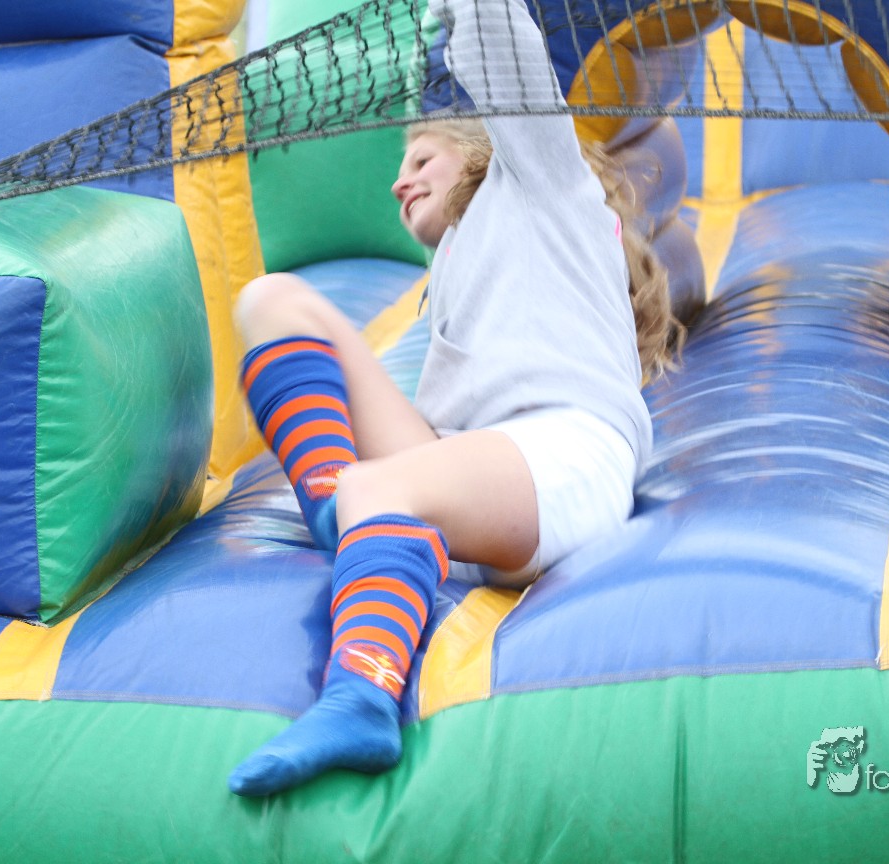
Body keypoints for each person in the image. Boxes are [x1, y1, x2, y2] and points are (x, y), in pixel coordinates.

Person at [228, 0, 681, 797]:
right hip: (474, 469)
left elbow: (503, 45)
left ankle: (361, 700)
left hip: (564, 455)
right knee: (270, 301)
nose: (398, 180)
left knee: (378, 487)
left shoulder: (544, 183)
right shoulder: (454, 267)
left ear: (478, 147)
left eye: (420, 158)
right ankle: (344, 508)